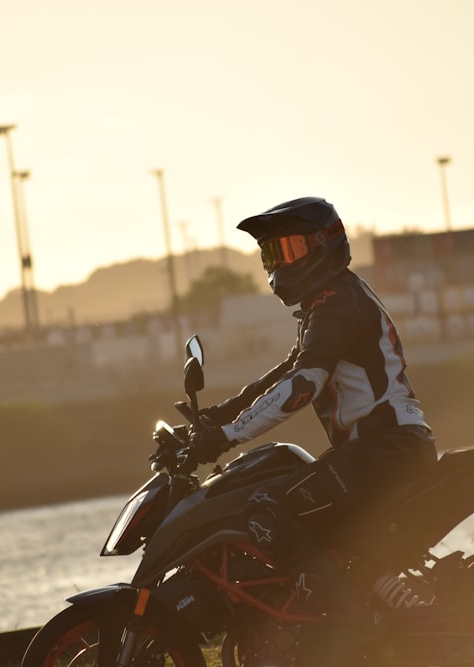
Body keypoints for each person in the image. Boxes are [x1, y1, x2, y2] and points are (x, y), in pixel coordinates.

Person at [187, 196, 436, 665]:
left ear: (326, 243)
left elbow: (303, 385)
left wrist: (229, 436)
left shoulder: (337, 302)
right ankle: (360, 603)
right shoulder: (330, 303)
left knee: (267, 508)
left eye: (292, 249)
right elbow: (284, 373)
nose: (281, 263)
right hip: (381, 450)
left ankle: (344, 621)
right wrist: (220, 414)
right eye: (272, 254)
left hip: (385, 449)